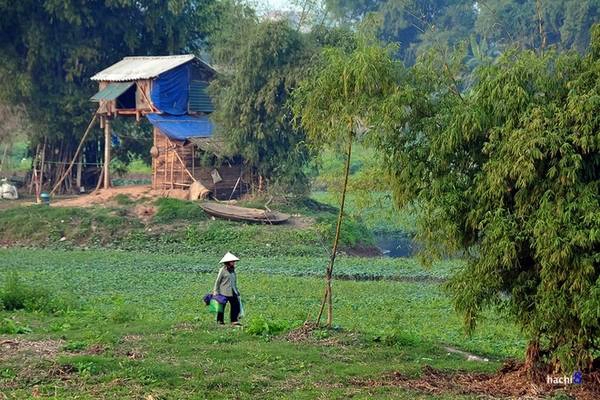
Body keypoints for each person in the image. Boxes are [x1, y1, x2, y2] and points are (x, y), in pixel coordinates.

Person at [213, 252, 242, 326]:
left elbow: (233, 281)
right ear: (228, 262)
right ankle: (220, 321)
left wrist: (236, 290)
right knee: (221, 307)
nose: (233, 262)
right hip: (224, 292)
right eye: (232, 261)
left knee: (235, 305)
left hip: (232, 291)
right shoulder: (222, 270)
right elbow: (217, 281)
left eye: (233, 261)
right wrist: (216, 291)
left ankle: (234, 320)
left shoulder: (233, 270)